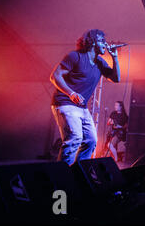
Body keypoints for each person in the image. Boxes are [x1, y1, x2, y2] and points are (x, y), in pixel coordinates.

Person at [50, 29, 120, 165]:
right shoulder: (75, 57)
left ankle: (78, 173)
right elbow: (55, 76)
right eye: (102, 41)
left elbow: (116, 78)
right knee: (75, 138)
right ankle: (63, 175)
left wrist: (115, 57)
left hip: (81, 107)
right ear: (93, 42)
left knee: (91, 141)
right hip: (65, 102)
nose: (105, 45)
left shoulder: (100, 63)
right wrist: (71, 93)